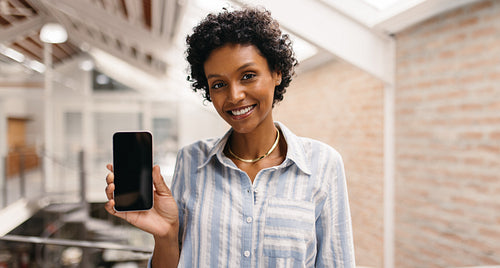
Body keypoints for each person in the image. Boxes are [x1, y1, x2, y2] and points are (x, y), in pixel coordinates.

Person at [105, 6, 355, 267]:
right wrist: (166, 236)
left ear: (277, 72)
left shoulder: (323, 165)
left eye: (248, 76)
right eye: (219, 84)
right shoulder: (191, 160)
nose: (234, 95)